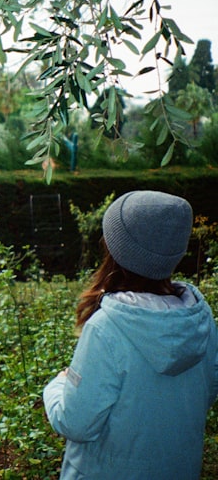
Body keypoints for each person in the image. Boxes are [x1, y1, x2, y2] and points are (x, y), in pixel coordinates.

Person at [43, 190, 218, 479]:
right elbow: (207, 391)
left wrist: (57, 387)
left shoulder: (106, 328)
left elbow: (75, 423)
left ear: (117, 251)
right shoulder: (199, 318)